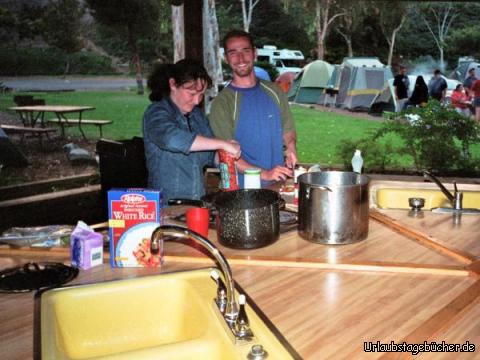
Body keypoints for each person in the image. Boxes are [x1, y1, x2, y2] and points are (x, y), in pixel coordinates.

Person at [143, 59, 241, 202]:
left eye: (201, 95)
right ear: (173, 84)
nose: (197, 101)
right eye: (191, 93)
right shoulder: (156, 112)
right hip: (165, 206)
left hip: (196, 203)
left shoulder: (197, 116)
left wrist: (226, 154)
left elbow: (210, 155)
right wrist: (221, 144)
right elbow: (172, 139)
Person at [209, 30, 297, 188]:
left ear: (255, 53)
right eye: (233, 53)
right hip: (241, 192)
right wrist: (265, 173)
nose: (240, 58)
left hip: (278, 186)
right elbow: (226, 156)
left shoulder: (275, 92)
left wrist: (291, 147)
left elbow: (288, 130)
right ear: (226, 58)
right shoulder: (222, 103)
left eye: (246, 51)